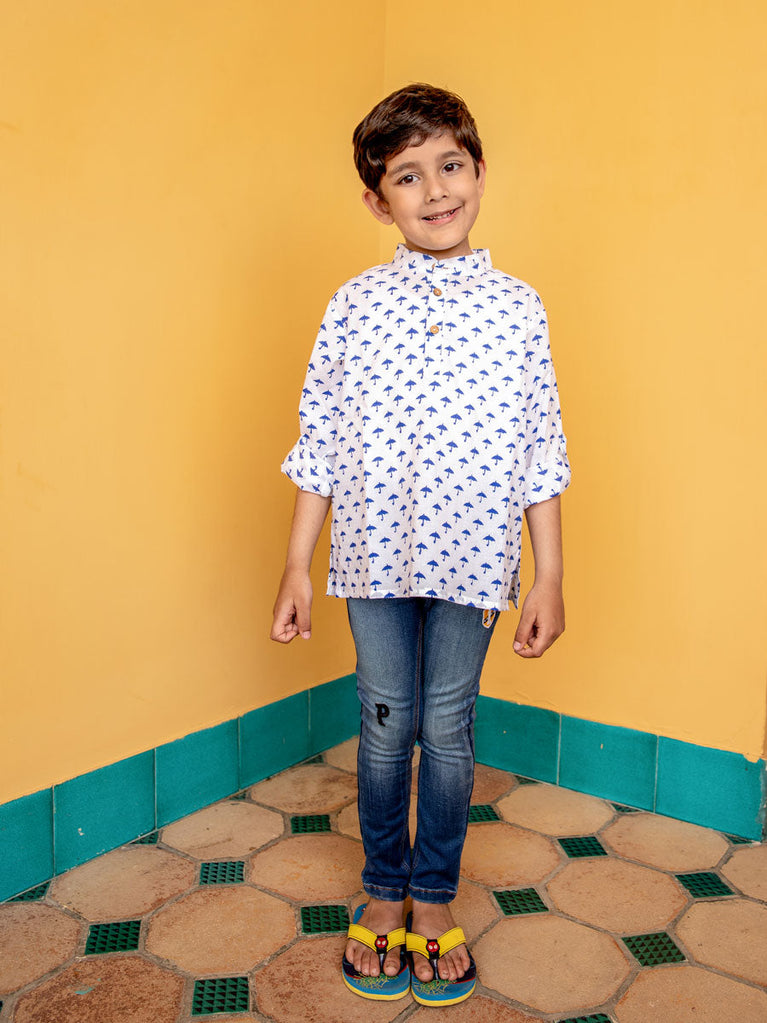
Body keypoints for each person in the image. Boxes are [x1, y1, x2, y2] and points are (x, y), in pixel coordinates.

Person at [270, 83, 570, 1006]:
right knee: (383, 721)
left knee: (445, 726)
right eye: (408, 176)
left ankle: (432, 895)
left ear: (478, 172)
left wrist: (549, 574)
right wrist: (295, 564)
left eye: (450, 166)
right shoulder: (353, 304)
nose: (435, 190)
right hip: (369, 557)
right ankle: (382, 886)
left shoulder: (518, 308)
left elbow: (540, 446)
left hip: (474, 563)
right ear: (377, 201)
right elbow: (320, 438)